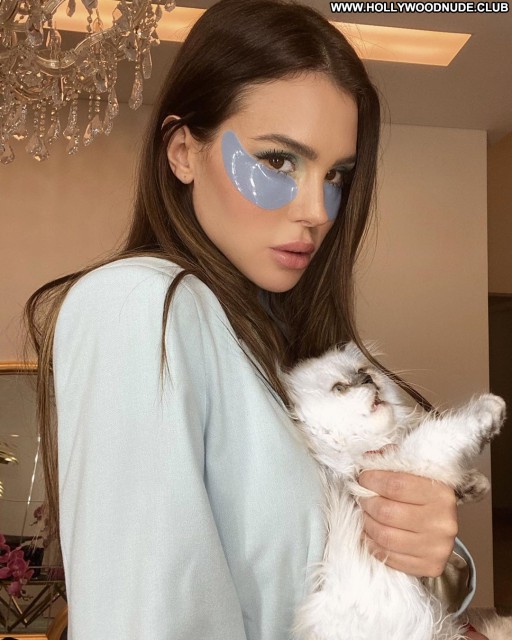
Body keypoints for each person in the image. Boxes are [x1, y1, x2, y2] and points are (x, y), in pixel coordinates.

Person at [24, 1, 487, 638]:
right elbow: (144, 619)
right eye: (277, 161)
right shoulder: (138, 304)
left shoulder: (291, 343)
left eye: (336, 175)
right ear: (183, 152)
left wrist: (433, 556)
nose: (317, 210)